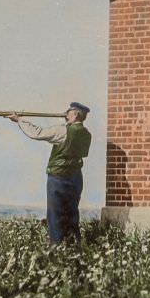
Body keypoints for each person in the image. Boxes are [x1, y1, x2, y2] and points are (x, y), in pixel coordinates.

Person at [7, 102, 92, 244]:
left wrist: (19, 120)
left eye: (69, 111)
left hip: (58, 178)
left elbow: (37, 133)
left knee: (55, 217)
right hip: (76, 178)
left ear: (76, 114)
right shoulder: (86, 134)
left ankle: (57, 250)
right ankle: (74, 249)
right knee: (72, 215)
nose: (66, 113)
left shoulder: (63, 131)